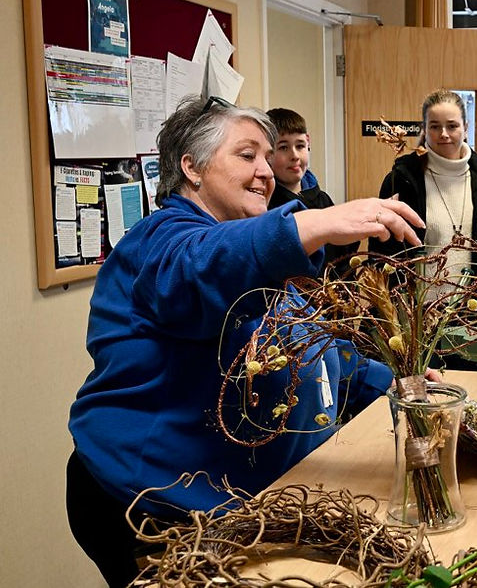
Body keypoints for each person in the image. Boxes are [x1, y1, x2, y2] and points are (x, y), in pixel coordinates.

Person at [66, 96, 424, 587]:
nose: (267, 171)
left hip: (246, 504)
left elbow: (308, 346)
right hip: (151, 506)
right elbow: (195, 274)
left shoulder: (248, 251)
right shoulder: (160, 240)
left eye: (266, 156)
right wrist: (312, 223)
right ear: (191, 168)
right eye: (247, 155)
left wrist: (397, 387)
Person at [370, 88, 477, 260]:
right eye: (435, 126)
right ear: (424, 129)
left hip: (476, 286)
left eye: (452, 126)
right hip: (415, 287)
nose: (444, 134)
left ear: (466, 129)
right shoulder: (401, 179)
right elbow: (381, 249)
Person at [266, 107, 356, 263]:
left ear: (308, 142)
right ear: (267, 153)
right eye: (283, 147)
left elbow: (341, 256)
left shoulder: (323, 200)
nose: (294, 156)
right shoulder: (267, 206)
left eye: (300, 146)